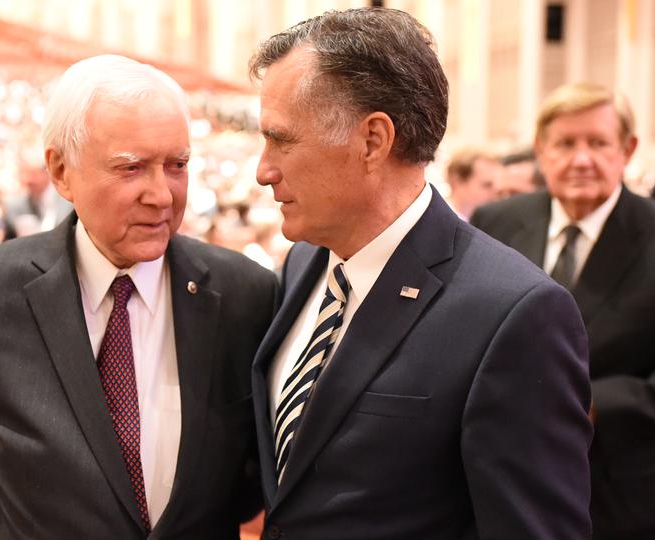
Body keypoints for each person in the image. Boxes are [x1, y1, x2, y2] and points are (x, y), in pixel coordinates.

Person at [249, 8, 592, 539]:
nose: (263, 170)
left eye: (282, 140)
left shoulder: (514, 313)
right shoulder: (303, 263)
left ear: (372, 141)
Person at [0, 55, 277, 539]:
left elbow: (254, 482)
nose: (162, 195)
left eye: (177, 165)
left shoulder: (246, 295)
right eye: (131, 168)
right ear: (61, 171)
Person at [471, 81, 655, 540]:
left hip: (621, 495)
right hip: (506, 487)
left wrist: (592, 404)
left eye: (598, 143)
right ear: (541, 150)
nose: (582, 159)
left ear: (627, 150)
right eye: (566, 143)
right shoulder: (497, 223)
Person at [444, 148, 501, 221]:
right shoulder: (438, 220)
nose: (496, 193)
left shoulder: (489, 221)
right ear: (457, 182)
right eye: (487, 185)